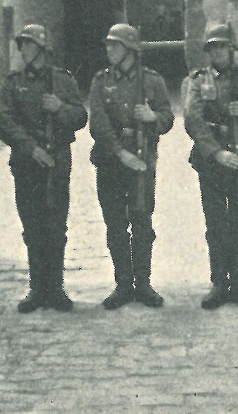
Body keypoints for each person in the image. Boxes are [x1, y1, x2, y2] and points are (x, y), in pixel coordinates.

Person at [0, 25, 87, 313]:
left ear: (42, 49)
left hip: (57, 160)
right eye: (21, 44)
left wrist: (60, 108)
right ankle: (37, 288)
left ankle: (55, 288)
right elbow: (4, 121)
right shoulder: (13, 82)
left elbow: (80, 117)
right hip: (26, 162)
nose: (23, 49)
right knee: (32, 226)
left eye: (28, 44)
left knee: (55, 225)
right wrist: (30, 148)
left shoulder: (62, 81)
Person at [184, 23, 238, 310]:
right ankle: (219, 282)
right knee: (215, 222)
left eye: (222, 46)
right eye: (212, 48)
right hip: (211, 159)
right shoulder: (198, 80)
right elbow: (193, 120)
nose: (217, 52)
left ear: (231, 48)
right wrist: (216, 153)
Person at [89, 24, 174, 309]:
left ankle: (144, 283)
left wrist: (152, 118)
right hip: (111, 160)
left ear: (130, 49)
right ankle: (123, 284)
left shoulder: (152, 81)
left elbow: (168, 118)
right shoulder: (101, 81)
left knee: (141, 220)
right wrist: (118, 152)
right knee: (115, 223)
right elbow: (98, 123)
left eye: (115, 45)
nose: (109, 50)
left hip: (142, 159)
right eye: (108, 45)